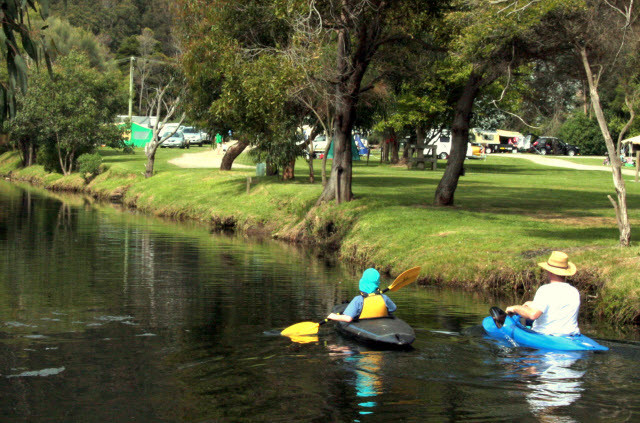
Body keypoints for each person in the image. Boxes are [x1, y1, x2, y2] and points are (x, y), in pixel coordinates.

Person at [506, 251, 580, 336]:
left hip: (547, 335)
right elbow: (555, 305)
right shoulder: (574, 291)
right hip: (571, 335)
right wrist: (531, 304)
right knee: (528, 304)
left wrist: (514, 308)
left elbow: (533, 315)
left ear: (549, 271)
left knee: (526, 320)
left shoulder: (545, 290)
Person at [327, 268, 397, 323]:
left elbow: (348, 318)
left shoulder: (358, 299)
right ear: (377, 284)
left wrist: (333, 316)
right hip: (381, 322)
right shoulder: (384, 297)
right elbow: (393, 308)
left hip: (363, 322)